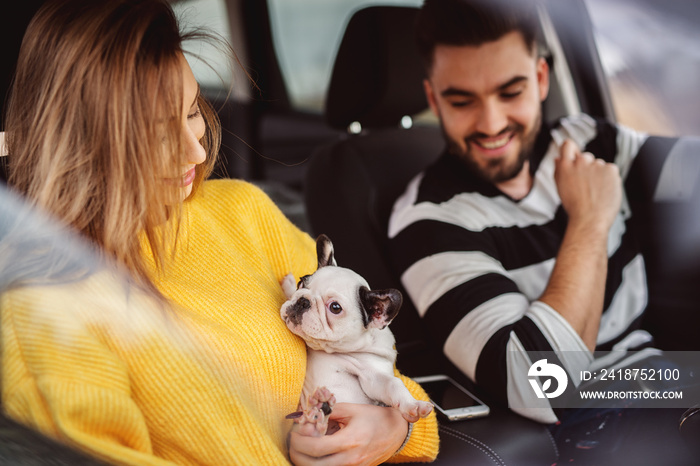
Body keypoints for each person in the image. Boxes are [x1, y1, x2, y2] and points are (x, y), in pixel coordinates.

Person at [0, 0, 439, 465]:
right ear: (77, 140)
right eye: (156, 132)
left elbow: (374, 359)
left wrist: (395, 430)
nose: (195, 150)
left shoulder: (245, 211)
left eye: (192, 112)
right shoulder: (43, 308)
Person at [388, 0, 700, 436]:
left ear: (540, 78)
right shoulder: (427, 223)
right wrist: (590, 219)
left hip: (669, 381)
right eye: (462, 101)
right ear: (433, 99)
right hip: (590, 427)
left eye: (510, 92)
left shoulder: (588, 139)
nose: (491, 123)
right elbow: (544, 386)